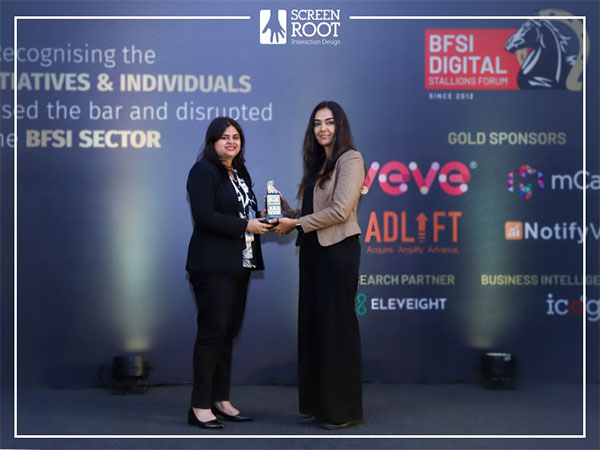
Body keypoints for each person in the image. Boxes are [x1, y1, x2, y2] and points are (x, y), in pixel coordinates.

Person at [271, 101, 366, 430]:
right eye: (317, 123)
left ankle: (342, 411)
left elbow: (340, 212)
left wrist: (296, 225)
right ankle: (319, 404)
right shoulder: (318, 166)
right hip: (313, 252)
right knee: (315, 329)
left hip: (338, 253)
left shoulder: (350, 159)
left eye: (329, 122)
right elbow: (314, 216)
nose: (323, 128)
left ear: (341, 127)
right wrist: (289, 214)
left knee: (335, 328)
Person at [185, 117, 271, 429]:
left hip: (241, 264)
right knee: (212, 334)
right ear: (212, 142)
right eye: (224, 137)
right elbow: (204, 215)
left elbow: (242, 212)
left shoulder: (239, 172)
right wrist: (245, 225)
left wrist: (262, 218)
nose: (231, 141)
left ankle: (221, 400)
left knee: (228, 333)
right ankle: (199, 405)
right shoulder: (203, 171)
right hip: (211, 266)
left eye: (236, 137)